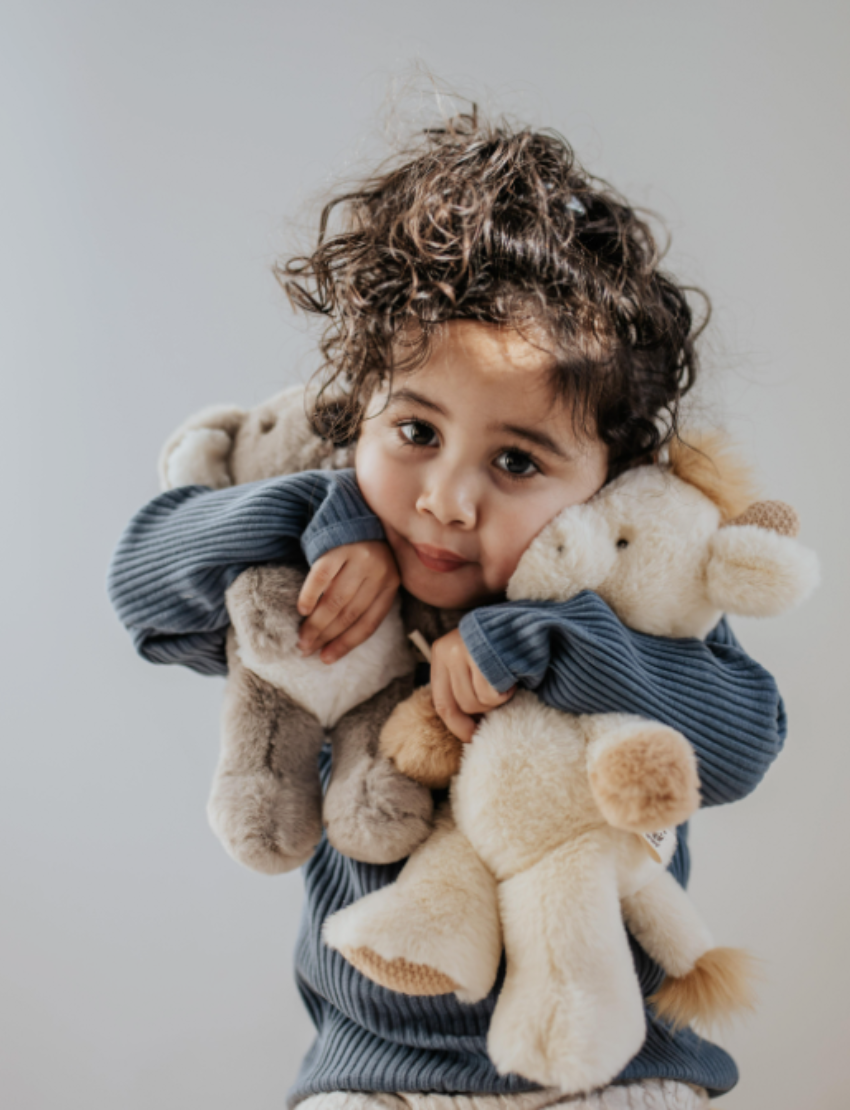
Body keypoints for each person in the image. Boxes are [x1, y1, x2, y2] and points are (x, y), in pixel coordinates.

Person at [108, 112, 786, 1110]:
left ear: (609, 480)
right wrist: (322, 515)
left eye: (516, 461)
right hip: (373, 1077)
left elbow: (743, 743)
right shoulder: (325, 567)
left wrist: (549, 640)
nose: (446, 499)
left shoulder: (628, 600)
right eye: (415, 430)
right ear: (358, 411)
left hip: (614, 1068)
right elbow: (142, 582)